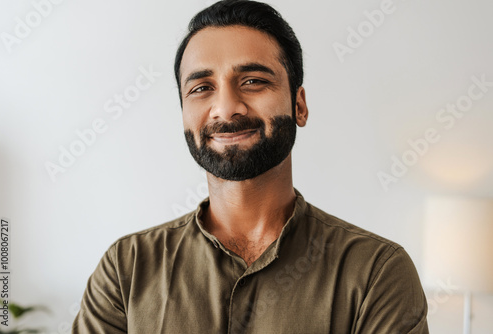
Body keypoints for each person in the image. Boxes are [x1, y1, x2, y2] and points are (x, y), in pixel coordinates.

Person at [72, 0, 429, 333]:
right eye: (201, 87)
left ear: (299, 105)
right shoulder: (127, 268)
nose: (226, 108)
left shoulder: (377, 272)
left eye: (254, 81)